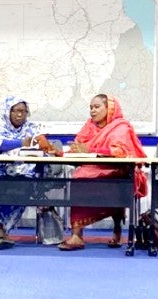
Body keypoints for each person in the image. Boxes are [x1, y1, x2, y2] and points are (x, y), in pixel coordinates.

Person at [58, 94, 147, 251]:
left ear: (109, 108)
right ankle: (77, 235)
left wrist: (91, 149)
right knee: (79, 176)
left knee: (97, 179)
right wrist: (74, 150)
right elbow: (79, 144)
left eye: (97, 107)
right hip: (91, 166)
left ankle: (117, 229)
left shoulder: (120, 127)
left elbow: (121, 151)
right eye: (91, 107)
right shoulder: (89, 125)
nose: (93, 111)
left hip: (115, 169)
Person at [0, 96, 59, 250]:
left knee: (21, 191)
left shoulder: (32, 128)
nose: (20, 115)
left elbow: (42, 145)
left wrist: (47, 147)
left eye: (24, 111)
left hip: (21, 176)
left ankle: (3, 232)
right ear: (8, 112)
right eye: (16, 111)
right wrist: (23, 143)